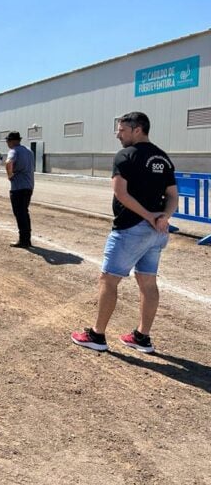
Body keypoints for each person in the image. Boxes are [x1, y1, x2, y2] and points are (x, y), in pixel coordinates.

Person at [72, 112, 177, 353]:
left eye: (122, 130)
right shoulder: (163, 157)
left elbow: (121, 193)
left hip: (131, 228)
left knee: (109, 279)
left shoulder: (125, 156)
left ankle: (96, 336)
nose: (118, 134)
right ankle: (142, 337)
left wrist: (150, 216)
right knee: (148, 281)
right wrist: (163, 217)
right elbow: (173, 196)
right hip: (156, 231)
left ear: (137, 129)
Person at [4, 131, 35, 248]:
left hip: (18, 187)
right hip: (29, 185)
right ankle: (26, 238)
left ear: (12, 141)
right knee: (24, 212)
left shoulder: (14, 151)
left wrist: (10, 175)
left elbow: (8, 163)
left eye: (7, 141)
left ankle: (24, 240)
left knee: (19, 213)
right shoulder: (29, 151)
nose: (7, 143)